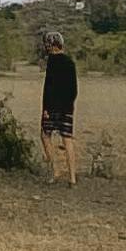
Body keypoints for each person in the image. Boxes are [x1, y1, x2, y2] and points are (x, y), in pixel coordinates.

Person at [39, 28, 80, 183]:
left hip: (52, 107)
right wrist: (69, 105)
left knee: (45, 135)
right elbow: (73, 89)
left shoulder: (52, 62)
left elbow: (49, 88)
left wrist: (46, 109)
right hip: (67, 107)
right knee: (67, 139)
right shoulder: (70, 62)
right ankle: (72, 177)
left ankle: (55, 170)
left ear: (52, 45)